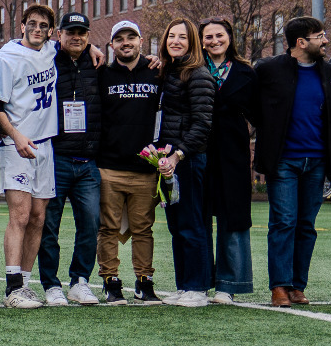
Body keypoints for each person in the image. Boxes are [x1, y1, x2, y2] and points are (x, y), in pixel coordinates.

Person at [253, 16, 331, 307]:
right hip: (284, 161)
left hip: (316, 161)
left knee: (306, 225)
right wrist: (269, 131)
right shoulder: (268, 69)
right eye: (320, 36)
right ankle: (279, 286)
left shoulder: (329, 72)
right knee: (283, 222)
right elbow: (251, 105)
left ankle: (298, 286)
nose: (325, 41)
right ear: (301, 43)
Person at [0, 3, 61, 308]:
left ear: (50, 30)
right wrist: (16, 135)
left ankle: (26, 285)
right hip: (16, 143)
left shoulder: (51, 50)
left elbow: (76, 44)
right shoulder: (5, 59)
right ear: (21, 26)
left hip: (45, 144)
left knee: (38, 217)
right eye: (31, 23)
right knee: (19, 215)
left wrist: (95, 49)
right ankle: (11, 288)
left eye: (43, 25)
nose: (37, 29)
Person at [94, 20, 165, 303]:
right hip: (109, 165)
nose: (126, 43)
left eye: (131, 37)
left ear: (140, 41)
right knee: (108, 228)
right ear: (112, 45)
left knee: (143, 230)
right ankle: (110, 281)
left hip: (145, 168)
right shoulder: (102, 74)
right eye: (120, 39)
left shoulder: (156, 72)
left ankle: (144, 282)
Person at [37, 13, 104, 305]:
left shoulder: (98, 64)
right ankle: (51, 284)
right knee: (49, 226)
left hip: (88, 161)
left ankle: (79, 281)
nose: (76, 37)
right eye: (71, 32)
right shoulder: (46, 60)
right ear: (59, 34)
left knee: (90, 223)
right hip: (57, 158)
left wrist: (93, 51)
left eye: (82, 33)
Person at [155, 19, 216, 306]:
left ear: (193, 42)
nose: (175, 41)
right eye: (171, 36)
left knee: (192, 223)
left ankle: (197, 288)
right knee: (177, 224)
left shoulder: (198, 74)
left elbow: (202, 124)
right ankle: (184, 285)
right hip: (168, 162)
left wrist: (178, 155)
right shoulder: (169, 71)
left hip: (187, 161)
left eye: (182, 37)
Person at [199, 19, 258, 304]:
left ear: (229, 37)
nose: (214, 41)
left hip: (233, 153)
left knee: (232, 217)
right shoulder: (193, 70)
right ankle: (197, 281)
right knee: (197, 218)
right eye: (207, 37)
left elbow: (260, 115)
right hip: (197, 151)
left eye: (219, 35)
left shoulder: (246, 72)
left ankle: (228, 283)